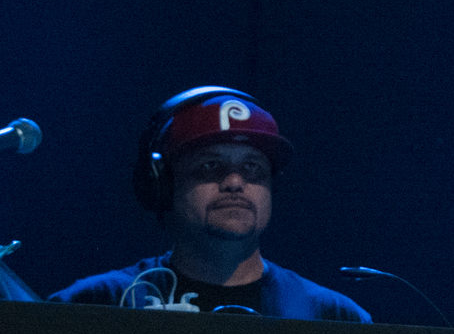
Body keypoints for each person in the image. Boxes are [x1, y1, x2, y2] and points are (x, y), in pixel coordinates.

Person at [52, 85, 371, 321]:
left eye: (253, 168)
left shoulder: (334, 317)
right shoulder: (96, 303)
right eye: (210, 166)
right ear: (164, 184)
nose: (234, 182)